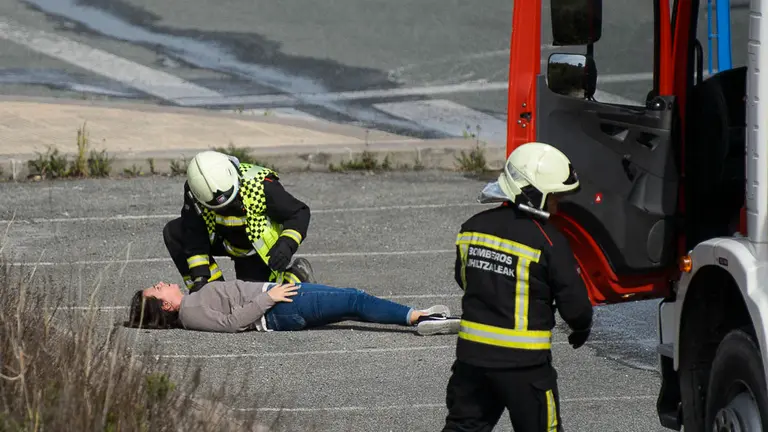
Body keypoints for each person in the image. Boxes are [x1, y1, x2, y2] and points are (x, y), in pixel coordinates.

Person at [442, 142, 594, 432]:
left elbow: (464, 278)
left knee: (463, 427)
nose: (556, 205)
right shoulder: (549, 241)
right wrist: (581, 326)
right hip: (525, 367)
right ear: (532, 193)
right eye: (553, 197)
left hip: (472, 361)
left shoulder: (471, 227)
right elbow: (574, 305)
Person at [163, 150, 315, 294]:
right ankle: (214, 293)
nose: (228, 208)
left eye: (231, 200)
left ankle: (297, 276)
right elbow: (193, 233)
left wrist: (287, 244)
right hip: (222, 238)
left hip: (254, 248)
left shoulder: (262, 185)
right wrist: (201, 279)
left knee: (259, 304)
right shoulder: (195, 191)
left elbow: (299, 212)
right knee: (175, 232)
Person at [125, 280, 461, 336]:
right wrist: (267, 299)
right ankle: (420, 318)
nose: (161, 282)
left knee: (351, 301)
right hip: (279, 307)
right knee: (354, 300)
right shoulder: (189, 312)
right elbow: (231, 324)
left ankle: (415, 316)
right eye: (156, 288)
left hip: (280, 296)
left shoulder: (192, 303)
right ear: (165, 303)